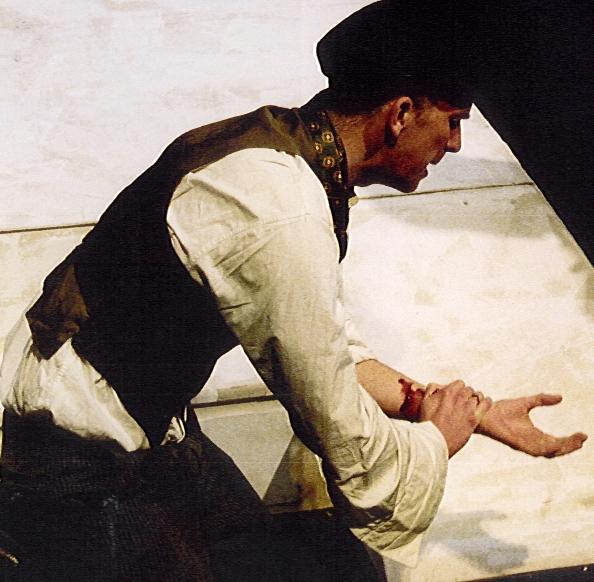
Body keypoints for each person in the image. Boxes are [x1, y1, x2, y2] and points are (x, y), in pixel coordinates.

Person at [0, 2, 587, 581]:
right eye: (453, 121)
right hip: (76, 459)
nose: (455, 145)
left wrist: (469, 411)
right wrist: (437, 439)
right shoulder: (278, 206)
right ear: (402, 114)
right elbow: (329, 412)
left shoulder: (286, 156)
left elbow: (328, 344)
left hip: (144, 429)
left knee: (258, 555)